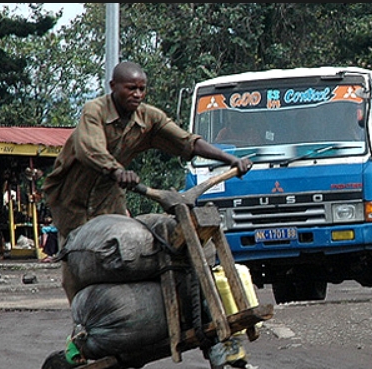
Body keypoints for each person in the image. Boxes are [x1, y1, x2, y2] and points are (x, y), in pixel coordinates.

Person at [43, 61, 252, 301]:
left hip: (109, 199)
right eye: (131, 88)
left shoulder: (148, 117)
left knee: (123, 255)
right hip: (72, 200)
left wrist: (229, 158)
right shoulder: (95, 110)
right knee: (76, 266)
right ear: (113, 86)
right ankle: (83, 321)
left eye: (142, 89)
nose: (137, 94)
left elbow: (187, 141)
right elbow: (89, 148)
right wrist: (116, 170)